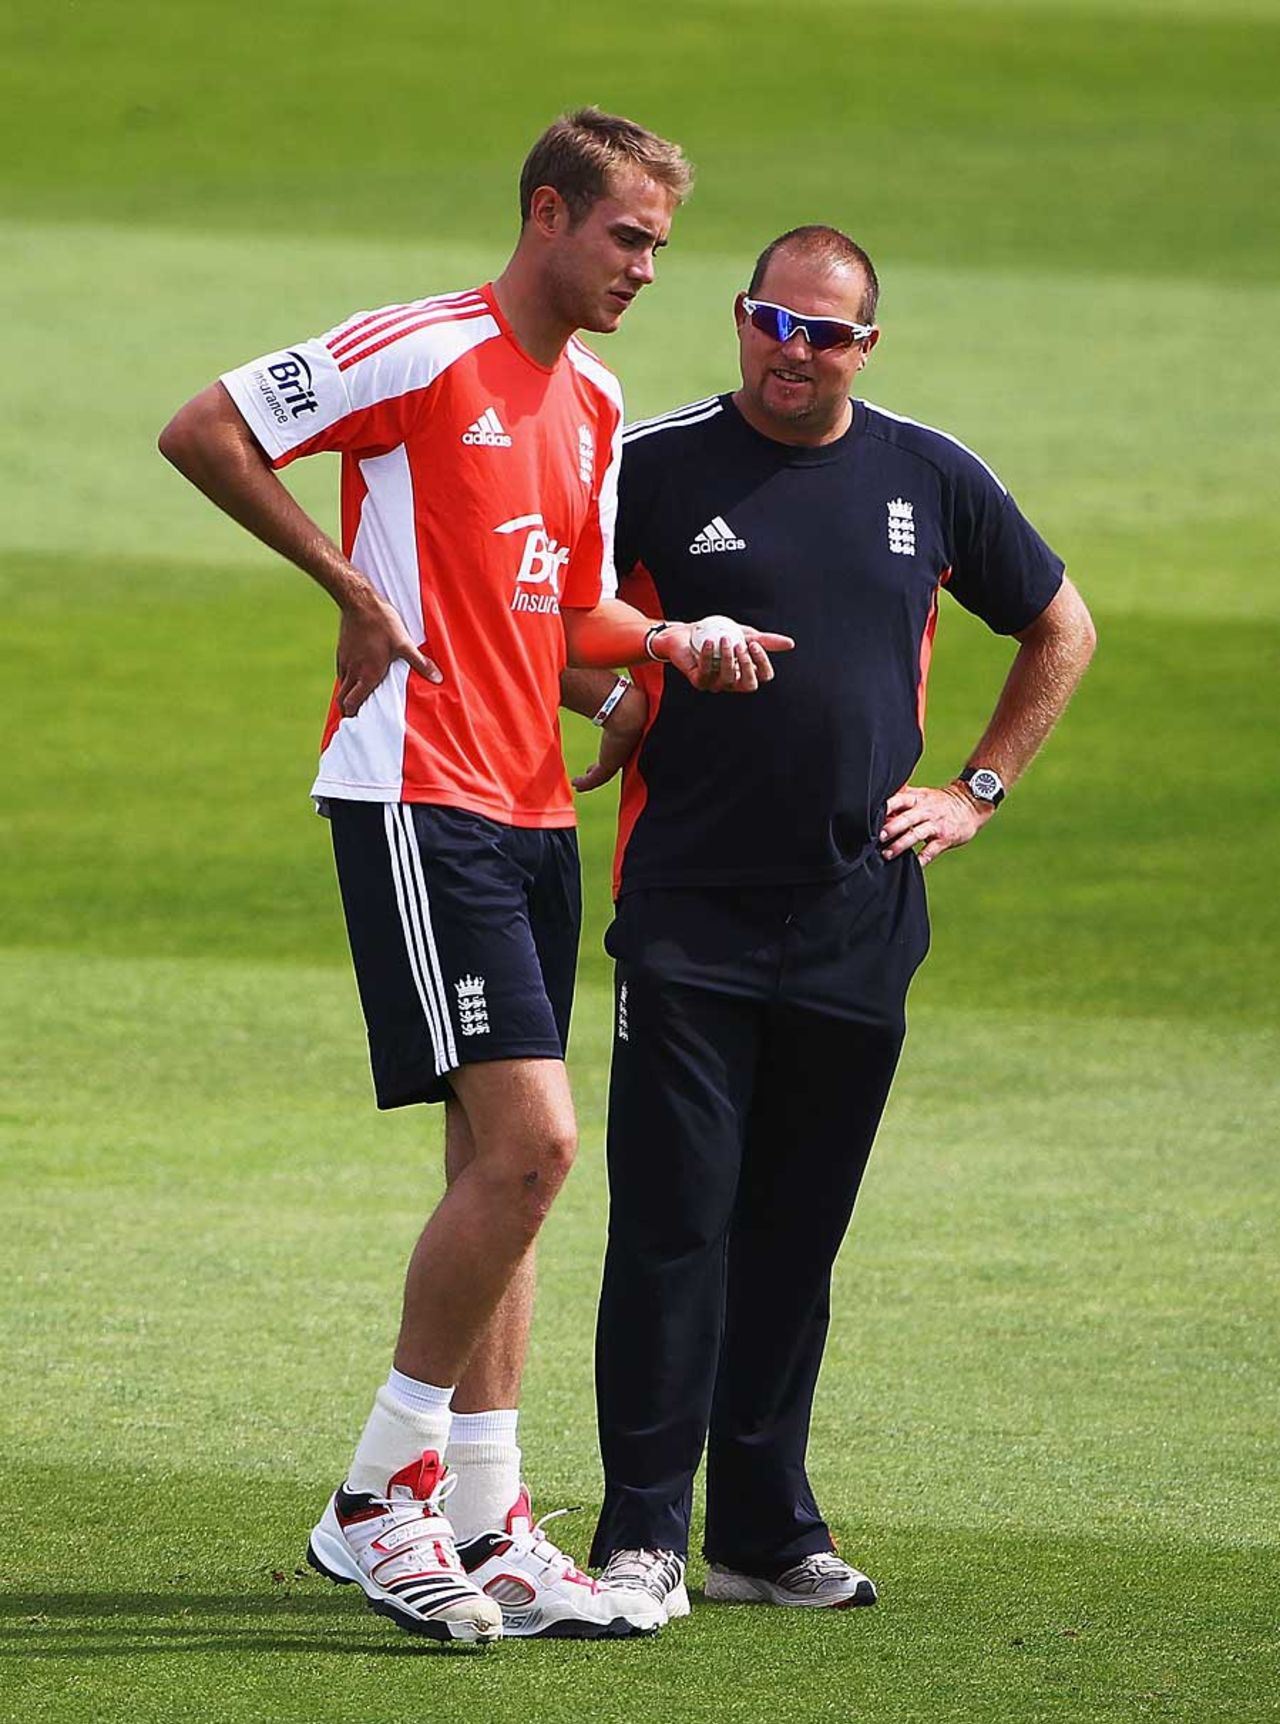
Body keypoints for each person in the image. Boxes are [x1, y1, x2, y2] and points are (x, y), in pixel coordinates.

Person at [157, 109, 790, 1647]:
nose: (647, 268)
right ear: (547, 212)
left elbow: (563, 616)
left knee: (494, 1178)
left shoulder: (595, 397)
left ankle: (491, 1518)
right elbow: (206, 428)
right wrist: (348, 588)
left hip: (529, 811)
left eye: (660, 243)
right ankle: (380, 1499)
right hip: (414, 793)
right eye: (628, 236)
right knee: (536, 1153)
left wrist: (659, 654)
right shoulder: (424, 347)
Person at [575, 225, 1097, 1620]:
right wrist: (637, 680)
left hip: (861, 914)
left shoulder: (928, 475)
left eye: (825, 334)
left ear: (869, 344)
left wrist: (979, 789)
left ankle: (761, 1529)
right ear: (740, 319)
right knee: (674, 1224)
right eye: (770, 322)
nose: (792, 352)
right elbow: (559, 626)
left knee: (796, 1235)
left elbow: (1062, 626)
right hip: (686, 909)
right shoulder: (658, 465)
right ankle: (640, 1535)